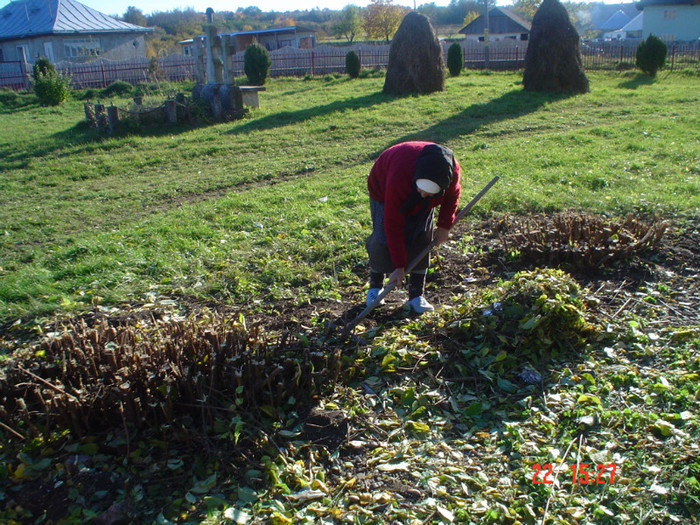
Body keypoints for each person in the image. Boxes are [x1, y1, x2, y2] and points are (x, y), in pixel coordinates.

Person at [365, 141, 461, 313]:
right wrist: (399, 267)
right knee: (383, 238)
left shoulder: (450, 173)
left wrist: (444, 225)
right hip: (383, 188)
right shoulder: (399, 176)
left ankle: (416, 295)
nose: (423, 195)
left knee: (422, 236)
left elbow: (451, 197)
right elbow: (392, 224)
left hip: (414, 183)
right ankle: (375, 287)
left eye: (429, 193)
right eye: (421, 190)